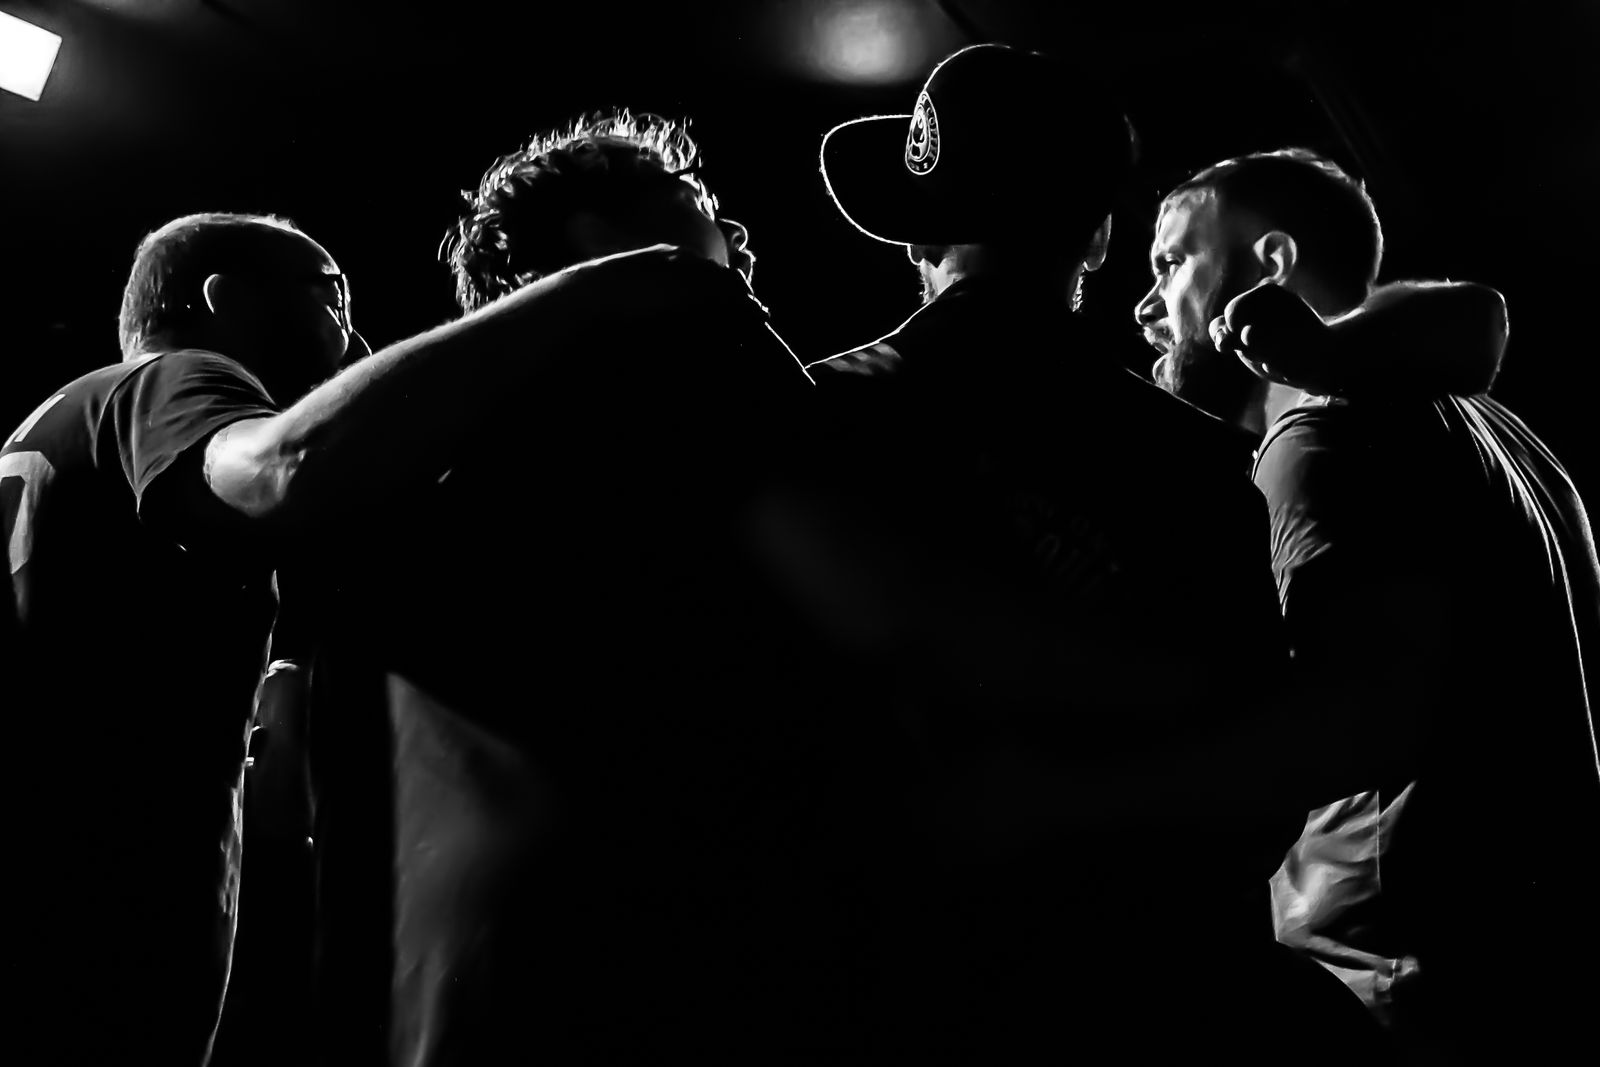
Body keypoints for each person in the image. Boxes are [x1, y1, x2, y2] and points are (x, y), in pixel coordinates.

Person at [0, 210, 755, 1066]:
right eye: (332, 299)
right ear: (225, 299)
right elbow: (280, 470)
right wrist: (588, 291)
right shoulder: (176, 377)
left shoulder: (58, 423)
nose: (354, 339)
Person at [801, 43, 1378, 1060]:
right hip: (1146, 996)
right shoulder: (1209, 465)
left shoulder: (817, 413)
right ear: (1100, 238)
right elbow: (1262, 787)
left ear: (917, 233)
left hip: (888, 983)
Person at [307, 110, 849, 1065]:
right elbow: (886, 622)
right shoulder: (700, 404)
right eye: (697, 204)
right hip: (648, 966)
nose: (736, 232)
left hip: (456, 992)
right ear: (601, 239)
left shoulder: (421, 445)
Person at [1137, 148, 1600, 1059]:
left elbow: (1355, 721)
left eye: (1173, 262)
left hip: (1390, 988)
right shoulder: (1502, 433)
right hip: (1528, 967)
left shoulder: (1316, 442)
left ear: (1271, 263)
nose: (1146, 305)